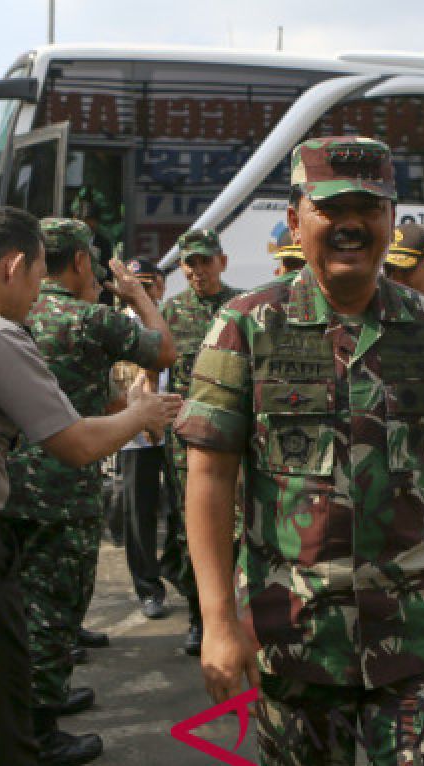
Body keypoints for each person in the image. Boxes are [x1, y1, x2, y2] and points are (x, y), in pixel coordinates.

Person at [177, 136, 424, 766]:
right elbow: (209, 475)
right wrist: (217, 623)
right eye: (331, 208)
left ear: (390, 220)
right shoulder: (246, 327)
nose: (351, 223)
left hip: (417, 633)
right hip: (294, 636)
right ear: (296, 221)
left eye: (369, 208)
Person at [0, 209, 180, 766]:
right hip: (45, 494)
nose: (39, 292)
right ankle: (35, 733)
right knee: (44, 618)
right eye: (34, 277)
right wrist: (139, 410)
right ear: (18, 266)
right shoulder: (11, 327)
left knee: (8, 628)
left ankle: (32, 718)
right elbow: (81, 432)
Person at [0, 218, 176, 766]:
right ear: (78, 261)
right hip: (64, 482)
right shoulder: (92, 319)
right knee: (55, 609)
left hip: (7, 482)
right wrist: (140, 296)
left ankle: (36, 701)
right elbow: (163, 352)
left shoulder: (13, 312)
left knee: (21, 602)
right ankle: (41, 730)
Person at [160, 228, 242, 656]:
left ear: (221, 262)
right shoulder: (170, 312)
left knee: (239, 530)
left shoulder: (241, 307)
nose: (197, 271)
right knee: (190, 530)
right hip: (185, 445)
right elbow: (151, 366)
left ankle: (238, 613)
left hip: (235, 442)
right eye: (190, 263)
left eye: (205, 262)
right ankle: (198, 615)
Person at [108, 259, 174, 619]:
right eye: (136, 285)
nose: (142, 292)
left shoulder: (173, 322)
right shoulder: (118, 328)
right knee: (139, 514)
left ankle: (176, 570)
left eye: (149, 285)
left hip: (177, 433)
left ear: (161, 287)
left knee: (181, 511)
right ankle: (148, 588)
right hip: (136, 436)